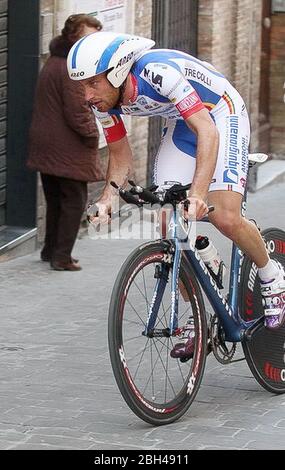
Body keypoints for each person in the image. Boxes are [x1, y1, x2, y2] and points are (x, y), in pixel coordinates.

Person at [67, 32, 285, 347]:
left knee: (224, 215)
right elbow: (120, 154)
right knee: (169, 222)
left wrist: (197, 194)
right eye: (81, 86)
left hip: (220, 114)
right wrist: (108, 196)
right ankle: (198, 308)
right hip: (182, 123)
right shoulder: (102, 103)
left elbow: (207, 131)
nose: (86, 95)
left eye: (92, 83)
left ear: (117, 73)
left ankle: (271, 274)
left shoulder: (158, 73)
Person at [27, 14, 104, 271]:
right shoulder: (71, 68)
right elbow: (78, 111)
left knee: (55, 200)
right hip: (66, 145)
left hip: (46, 143)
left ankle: (50, 250)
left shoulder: (54, 60)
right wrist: (92, 135)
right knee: (74, 201)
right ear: (74, 37)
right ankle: (62, 257)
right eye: (88, 36)